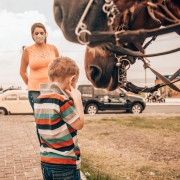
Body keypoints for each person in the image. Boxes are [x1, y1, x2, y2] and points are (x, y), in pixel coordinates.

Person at [34, 57, 84, 180]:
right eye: (75, 82)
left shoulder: (39, 99)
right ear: (71, 80)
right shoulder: (61, 101)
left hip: (46, 163)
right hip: (65, 165)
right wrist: (77, 99)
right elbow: (80, 124)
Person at [20, 22, 59, 110]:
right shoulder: (27, 51)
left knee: (53, 118)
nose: (39, 35)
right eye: (36, 33)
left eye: (41, 33)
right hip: (35, 91)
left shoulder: (53, 49)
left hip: (52, 89)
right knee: (40, 119)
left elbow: (59, 68)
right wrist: (30, 84)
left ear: (46, 34)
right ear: (32, 35)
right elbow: (22, 72)